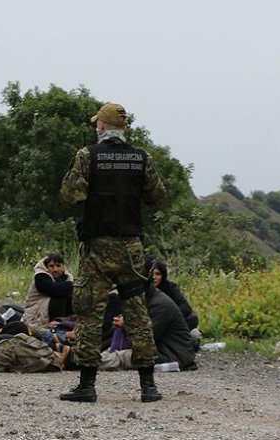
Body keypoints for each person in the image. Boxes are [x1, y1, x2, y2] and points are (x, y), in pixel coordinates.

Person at [58, 103, 166, 403]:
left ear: (101, 127)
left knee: (90, 311)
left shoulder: (87, 156)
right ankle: (148, 386)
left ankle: (87, 384)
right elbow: (158, 196)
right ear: (125, 128)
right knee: (137, 312)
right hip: (131, 247)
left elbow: (70, 196)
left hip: (98, 248)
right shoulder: (141, 158)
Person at [147, 257, 200, 342]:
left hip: (172, 323)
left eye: (158, 274)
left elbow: (185, 308)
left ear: (163, 275)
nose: (154, 277)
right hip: (153, 323)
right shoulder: (142, 290)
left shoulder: (170, 288)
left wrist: (169, 316)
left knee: (194, 333)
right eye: (152, 274)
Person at [23, 254, 74, 329]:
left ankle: (66, 322)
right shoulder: (40, 277)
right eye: (51, 266)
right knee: (60, 296)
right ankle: (57, 324)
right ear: (46, 267)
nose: (55, 269)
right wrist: (72, 286)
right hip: (35, 317)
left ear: (63, 267)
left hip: (49, 314)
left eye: (58, 266)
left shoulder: (67, 277)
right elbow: (54, 290)